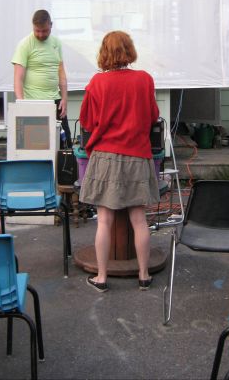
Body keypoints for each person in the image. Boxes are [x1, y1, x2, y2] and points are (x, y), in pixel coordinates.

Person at [78, 31, 160, 293]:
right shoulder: (144, 80)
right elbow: (153, 117)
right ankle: (144, 275)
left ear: (104, 52)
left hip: (105, 157)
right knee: (139, 219)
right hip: (137, 155)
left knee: (104, 221)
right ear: (129, 50)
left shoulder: (97, 83)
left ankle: (102, 278)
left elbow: (88, 122)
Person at [11, 9, 72, 147]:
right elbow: (18, 78)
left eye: (44, 31)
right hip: (33, 101)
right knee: (37, 145)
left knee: (65, 143)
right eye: (37, 30)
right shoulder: (25, 44)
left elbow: (61, 72)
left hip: (54, 100)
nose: (40, 34)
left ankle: (61, 169)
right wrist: (22, 104)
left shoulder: (57, 43)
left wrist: (64, 99)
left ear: (51, 25)